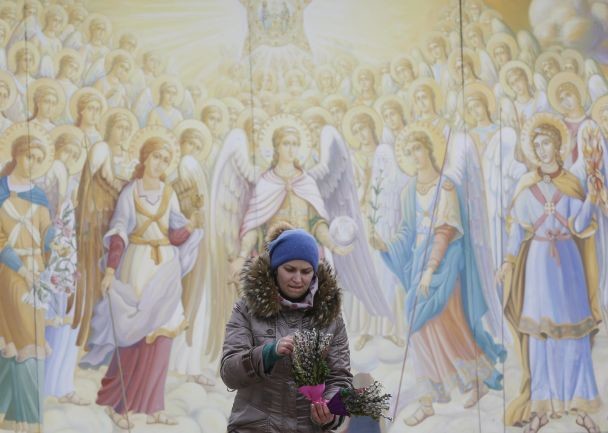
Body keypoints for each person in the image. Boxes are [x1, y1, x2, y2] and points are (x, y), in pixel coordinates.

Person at [81, 132, 203, 429]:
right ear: (145, 158)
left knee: (163, 335)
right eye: (156, 157)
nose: (160, 163)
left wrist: (190, 227)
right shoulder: (130, 192)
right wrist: (110, 270)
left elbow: (174, 234)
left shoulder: (169, 193)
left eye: (165, 159)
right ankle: (119, 404)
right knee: (134, 333)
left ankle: (154, 406)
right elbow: (119, 232)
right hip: (137, 265)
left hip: (166, 267)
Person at [497, 114, 602, 433]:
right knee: (539, 336)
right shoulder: (526, 188)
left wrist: (592, 198)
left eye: (547, 143)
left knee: (574, 334)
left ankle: (580, 406)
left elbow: (580, 225)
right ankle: (542, 408)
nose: (542, 149)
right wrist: (508, 261)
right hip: (539, 264)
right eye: (537, 145)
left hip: (568, 263)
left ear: (558, 146)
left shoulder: (572, 184)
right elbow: (517, 231)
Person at [221, 224, 352, 432]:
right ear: (275, 268)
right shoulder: (246, 309)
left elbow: (340, 379)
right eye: (289, 269)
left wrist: (331, 409)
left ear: (314, 272)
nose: (298, 279)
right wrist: (268, 353)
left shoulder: (331, 317)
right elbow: (229, 372)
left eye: (306, 271)